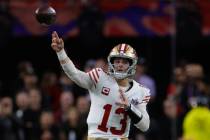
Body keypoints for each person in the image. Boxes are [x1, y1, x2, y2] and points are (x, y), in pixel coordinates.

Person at [51, 31, 150, 140]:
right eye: (117, 61)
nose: (120, 65)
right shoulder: (99, 77)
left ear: (132, 65)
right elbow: (75, 74)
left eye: (125, 62)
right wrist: (61, 52)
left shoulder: (140, 91)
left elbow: (145, 126)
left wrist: (129, 108)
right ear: (111, 63)